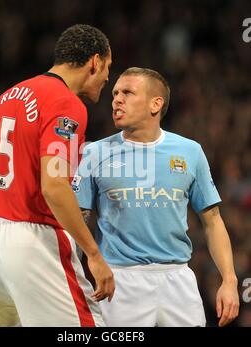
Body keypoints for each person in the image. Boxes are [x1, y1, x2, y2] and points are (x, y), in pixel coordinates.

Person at [0, 24, 114, 327]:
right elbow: (54, 187)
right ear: (94, 62)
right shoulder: (66, 104)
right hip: (36, 241)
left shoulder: (4, 99)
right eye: (109, 67)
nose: (109, 77)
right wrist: (94, 254)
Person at [74, 67, 240, 327]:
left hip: (178, 281)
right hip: (119, 282)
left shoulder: (190, 152)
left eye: (128, 92)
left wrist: (229, 281)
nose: (117, 99)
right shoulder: (94, 153)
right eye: (115, 93)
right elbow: (77, 221)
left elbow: (213, 221)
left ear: (156, 103)